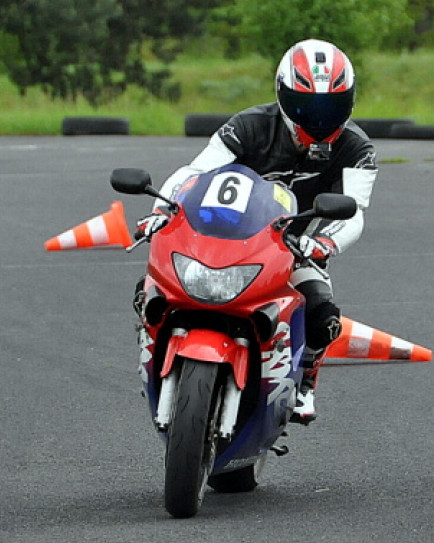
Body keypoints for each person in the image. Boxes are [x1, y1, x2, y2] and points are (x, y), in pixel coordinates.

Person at [134, 38, 378, 424]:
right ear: (283, 95)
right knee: (152, 282)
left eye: (330, 107)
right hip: (222, 235)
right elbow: (194, 173)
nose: (318, 119)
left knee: (321, 310)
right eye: (305, 106)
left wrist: (325, 242)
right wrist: (160, 211)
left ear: (349, 102)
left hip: (292, 245)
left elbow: (354, 210)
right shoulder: (248, 125)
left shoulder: (357, 148)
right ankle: (153, 348)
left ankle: (305, 381)